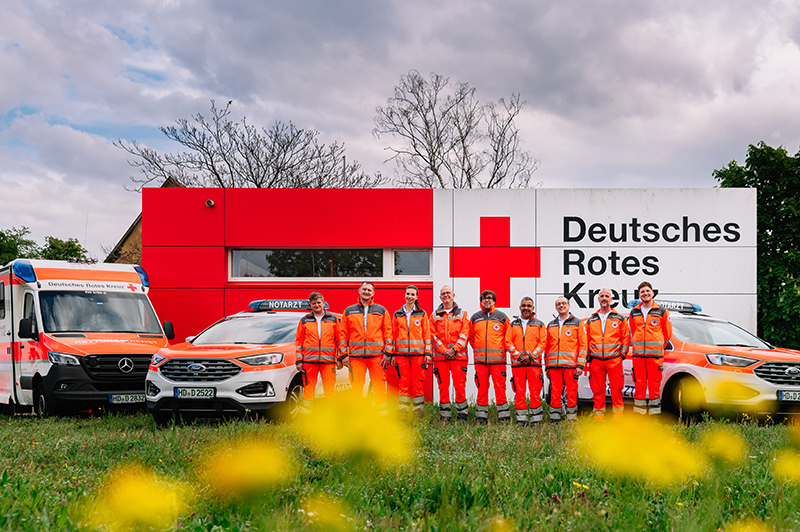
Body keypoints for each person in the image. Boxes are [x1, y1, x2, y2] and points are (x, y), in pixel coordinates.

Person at [339, 281, 393, 414]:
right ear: (359, 290)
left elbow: (388, 332)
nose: (366, 292)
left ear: (373, 293)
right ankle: (358, 416)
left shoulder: (381, 310)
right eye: (364, 289)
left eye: (369, 290)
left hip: (377, 356)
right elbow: (343, 335)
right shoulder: (349, 311)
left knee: (379, 387)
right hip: (356, 357)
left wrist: (388, 352)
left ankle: (382, 416)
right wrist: (344, 355)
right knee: (356, 388)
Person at [584, 288, 629, 421]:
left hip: (614, 359)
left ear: (611, 299)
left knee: (616, 390)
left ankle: (618, 419)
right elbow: (586, 339)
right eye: (602, 296)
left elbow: (626, 338)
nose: (604, 298)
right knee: (597, 391)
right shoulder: (591, 319)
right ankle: (599, 418)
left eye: (607, 296)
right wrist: (588, 354)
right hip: (596, 360)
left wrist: (622, 355)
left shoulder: (619, 318)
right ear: (598, 299)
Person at [628, 281, 672, 415]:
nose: (645, 294)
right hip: (638, 357)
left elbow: (667, 334)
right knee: (639, 385)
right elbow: (633, 329)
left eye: (647, 291)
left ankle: (654, 415)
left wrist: (657, 347)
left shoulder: (662, 311)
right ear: (639, 295)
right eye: (642, 292)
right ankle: (639, 416)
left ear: (652, 293)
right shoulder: (634, 312)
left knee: (654, 386)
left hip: (655, 357)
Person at [468, 290, 511, 424]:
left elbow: (508, 337)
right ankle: (481, 418)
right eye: (484, 298)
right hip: (481, 362)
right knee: (481, 389)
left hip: (498, 361)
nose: (487, 300)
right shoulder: (475, 317)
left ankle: (503, 418)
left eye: (490, 298)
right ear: (481, 301)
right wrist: (479, 350)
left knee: (500, 389)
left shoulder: (502, 317)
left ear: (494, 301)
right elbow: (471, 337)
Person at [295, 292, 341, 413]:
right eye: (313, 303)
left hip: (328, 361)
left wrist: (340, 358)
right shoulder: (305, 320)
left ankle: (329, 416)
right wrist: (299, 360)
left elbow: (340, 340)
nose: (316, 305)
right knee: (308, 390)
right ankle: (306, 416)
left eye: (318, 302)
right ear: (310, 305)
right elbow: (299, 341)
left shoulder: (333, 319)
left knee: (329, 390)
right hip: (309, 361)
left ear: (323, 303)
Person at [430, 285, 470, 421]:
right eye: (443, 294)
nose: (446, 295)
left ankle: (462, 416)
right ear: (440, 297)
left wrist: (454, 350)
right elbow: (432, 336)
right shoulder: (434, 315)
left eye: (448, 293)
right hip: (441, 358)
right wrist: (444, 351)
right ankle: (445, 416)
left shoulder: (462, 313)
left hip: (458, 357)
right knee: (443, 387)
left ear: (453, 295)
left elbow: (465, 334)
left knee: (460, 386)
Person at [391, 285, 432, 418]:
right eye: (408, 294)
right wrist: (392, 354)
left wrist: (428, 353)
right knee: (403, 383)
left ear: (416, 297)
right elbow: (393, 335)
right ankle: (403, 413)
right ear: (405, 295)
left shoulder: (422, 314)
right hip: (401, 355)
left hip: (418, 355)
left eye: (412, 294)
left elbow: (427, 335)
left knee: (418, 383)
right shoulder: (397, 314)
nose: (410, 296)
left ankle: (417, 413)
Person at [544, 297, 586, 422]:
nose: (561, 305)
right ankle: (554, 420)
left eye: (563, 303)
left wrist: (580, 365)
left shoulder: (577, 323)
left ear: (569, 306)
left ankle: (571, 419)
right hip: (554, 367)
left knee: (571, 392)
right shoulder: (551, 325)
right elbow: (547, 347)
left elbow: (583, 345)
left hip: (571, 366)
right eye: (558, 304)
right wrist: (547, 366)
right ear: (556, 307)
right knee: (555, 393)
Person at [506, 297, 547, 425]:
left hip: (534, 364)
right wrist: (518, 356)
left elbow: (543, 342)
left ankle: (536, 421)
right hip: (518, 365)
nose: (526, 308)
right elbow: (508, 342)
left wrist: (531, 356)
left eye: (529, 306)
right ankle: (521, 420)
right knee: (519, 394)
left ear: (533, 308)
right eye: (523, 305)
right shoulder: (513, 324)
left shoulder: (539, 324)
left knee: (535, 393)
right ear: (520, 307)